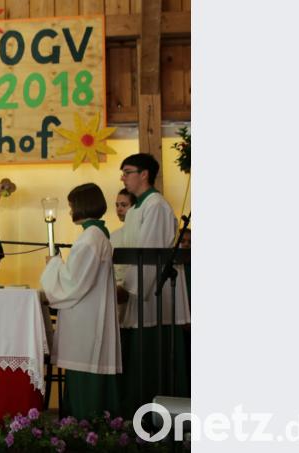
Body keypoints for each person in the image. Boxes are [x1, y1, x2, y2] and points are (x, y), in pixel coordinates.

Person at [40, 183, 122, 419]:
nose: (69, 211)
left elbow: (73, 283)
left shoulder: (89, 238)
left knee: (85, 373)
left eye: (72, 205)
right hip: (90, 316)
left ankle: (85, 427)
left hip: (86, 321)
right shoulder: (95, 235)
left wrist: (54, 264)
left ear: (82, 206)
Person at [117, 153, 191, 414]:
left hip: (153, 298)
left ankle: (155, 419)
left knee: (154, 363)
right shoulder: (137, 207)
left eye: (127, 171)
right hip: (140, 294)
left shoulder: (156, 206)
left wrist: (128, 289)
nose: (123, 176)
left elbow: (150, 253)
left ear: (144, 174)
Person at [110, 189, 137, 324]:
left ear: (134, 207)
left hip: (134, 293)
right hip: (115, 294)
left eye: (123, 205)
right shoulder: (113, 235)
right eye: (117, 205)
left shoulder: (141, 234)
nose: (119, 209)